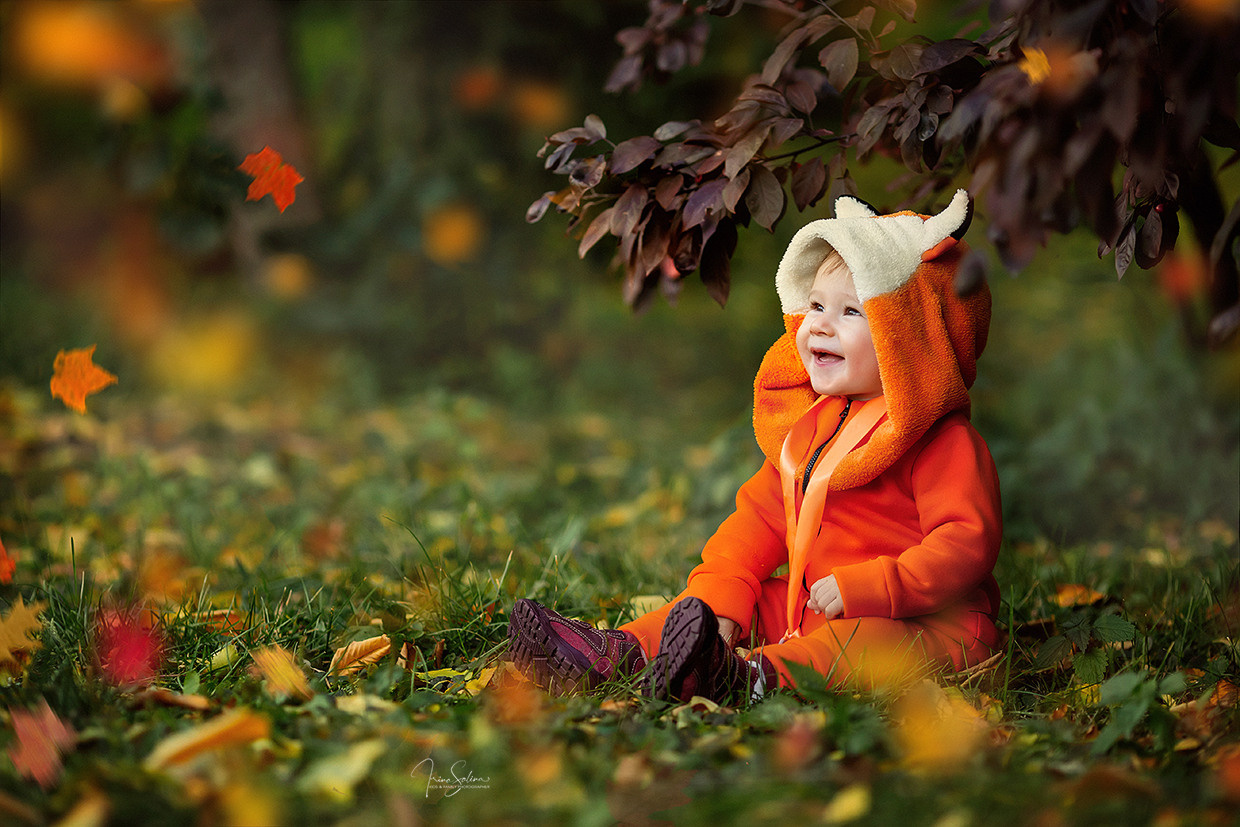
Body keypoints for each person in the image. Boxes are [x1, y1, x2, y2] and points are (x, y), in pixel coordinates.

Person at [508, 189, 1003, 704]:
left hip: (929, 625)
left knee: (858, 642)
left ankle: (746, 678)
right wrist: (725, 589)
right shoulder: (813, 426)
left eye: (852, 312)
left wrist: (879, 586)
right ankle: (622, 652)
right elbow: (762, 519)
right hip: (816, 607)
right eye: (816, 305)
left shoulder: (944, 443)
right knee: (725, 603)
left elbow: (965, 543)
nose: (819, 324)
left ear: (912, 338)